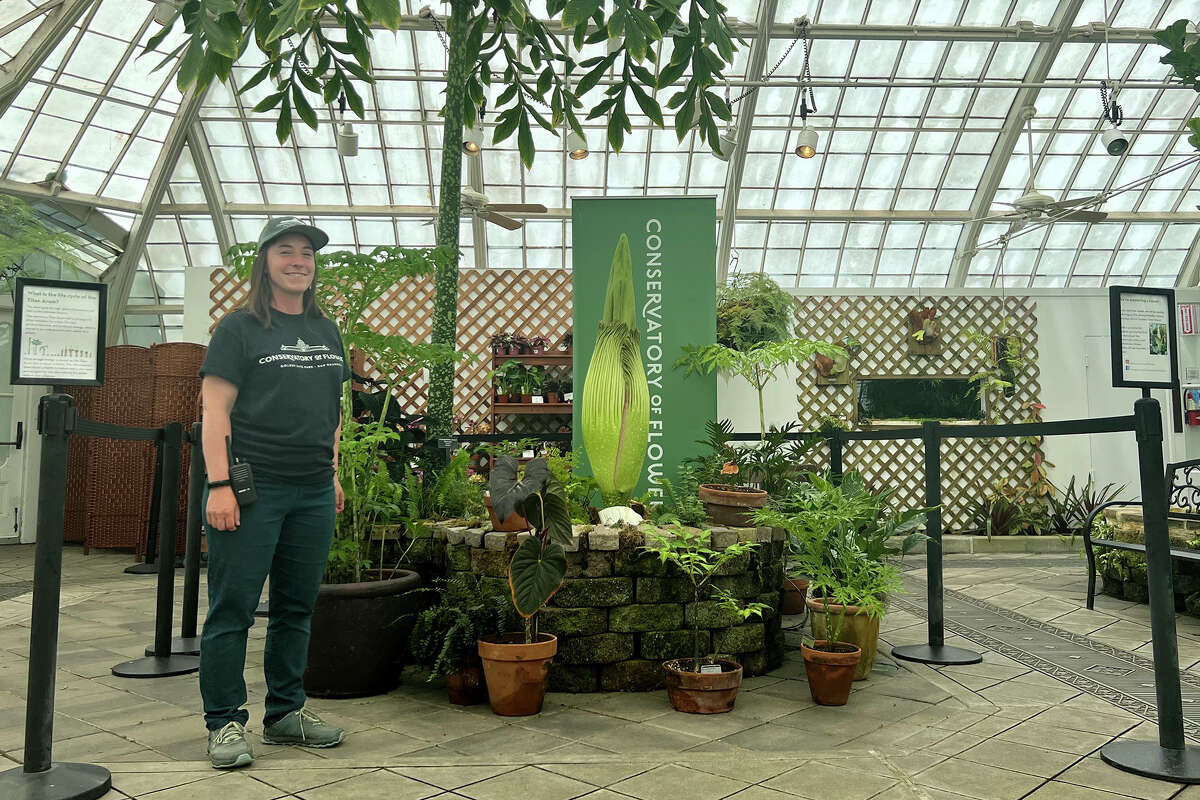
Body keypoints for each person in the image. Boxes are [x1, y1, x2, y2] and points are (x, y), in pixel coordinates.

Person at [198, 218, 349, 769]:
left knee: (295, 608)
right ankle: (225, 722)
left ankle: (285, 713)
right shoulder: (239, 329)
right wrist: (219, 486)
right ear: (264, 261)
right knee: (232, 608)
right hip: (251, 489)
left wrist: (330, 472)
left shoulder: (327, 330)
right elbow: (214, 412)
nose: (298, 261)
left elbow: (330, 413)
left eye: (306, 253)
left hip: (311, 490)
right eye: (286, 251)